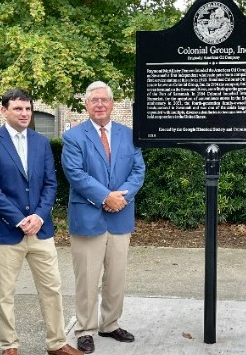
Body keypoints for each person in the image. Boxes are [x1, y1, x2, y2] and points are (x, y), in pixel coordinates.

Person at [0, 88, 83, 355]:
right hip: (4, 231)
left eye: (28, 109)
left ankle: (57, 343)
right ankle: (9, 346)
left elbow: (50, 183)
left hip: (40, 230)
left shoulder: (41, 142)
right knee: (5, 294)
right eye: (18, 109)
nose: (24, 114)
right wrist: (18, 219)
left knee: (52, 288)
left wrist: (38, 216)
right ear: (4, 111)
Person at [61, 81, 146, 354]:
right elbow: (75, 174)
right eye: (94, 100)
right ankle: (85, 328)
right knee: (87, 278)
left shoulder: (129, 135)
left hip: (120, 216)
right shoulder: (74, 137)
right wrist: (105, 197)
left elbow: (138, 171)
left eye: (104, 100)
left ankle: (110, 324)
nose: (99, 105)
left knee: (116, 277)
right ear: (86, 104)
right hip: (88, 218)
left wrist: (122, 197)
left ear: (112, 104)